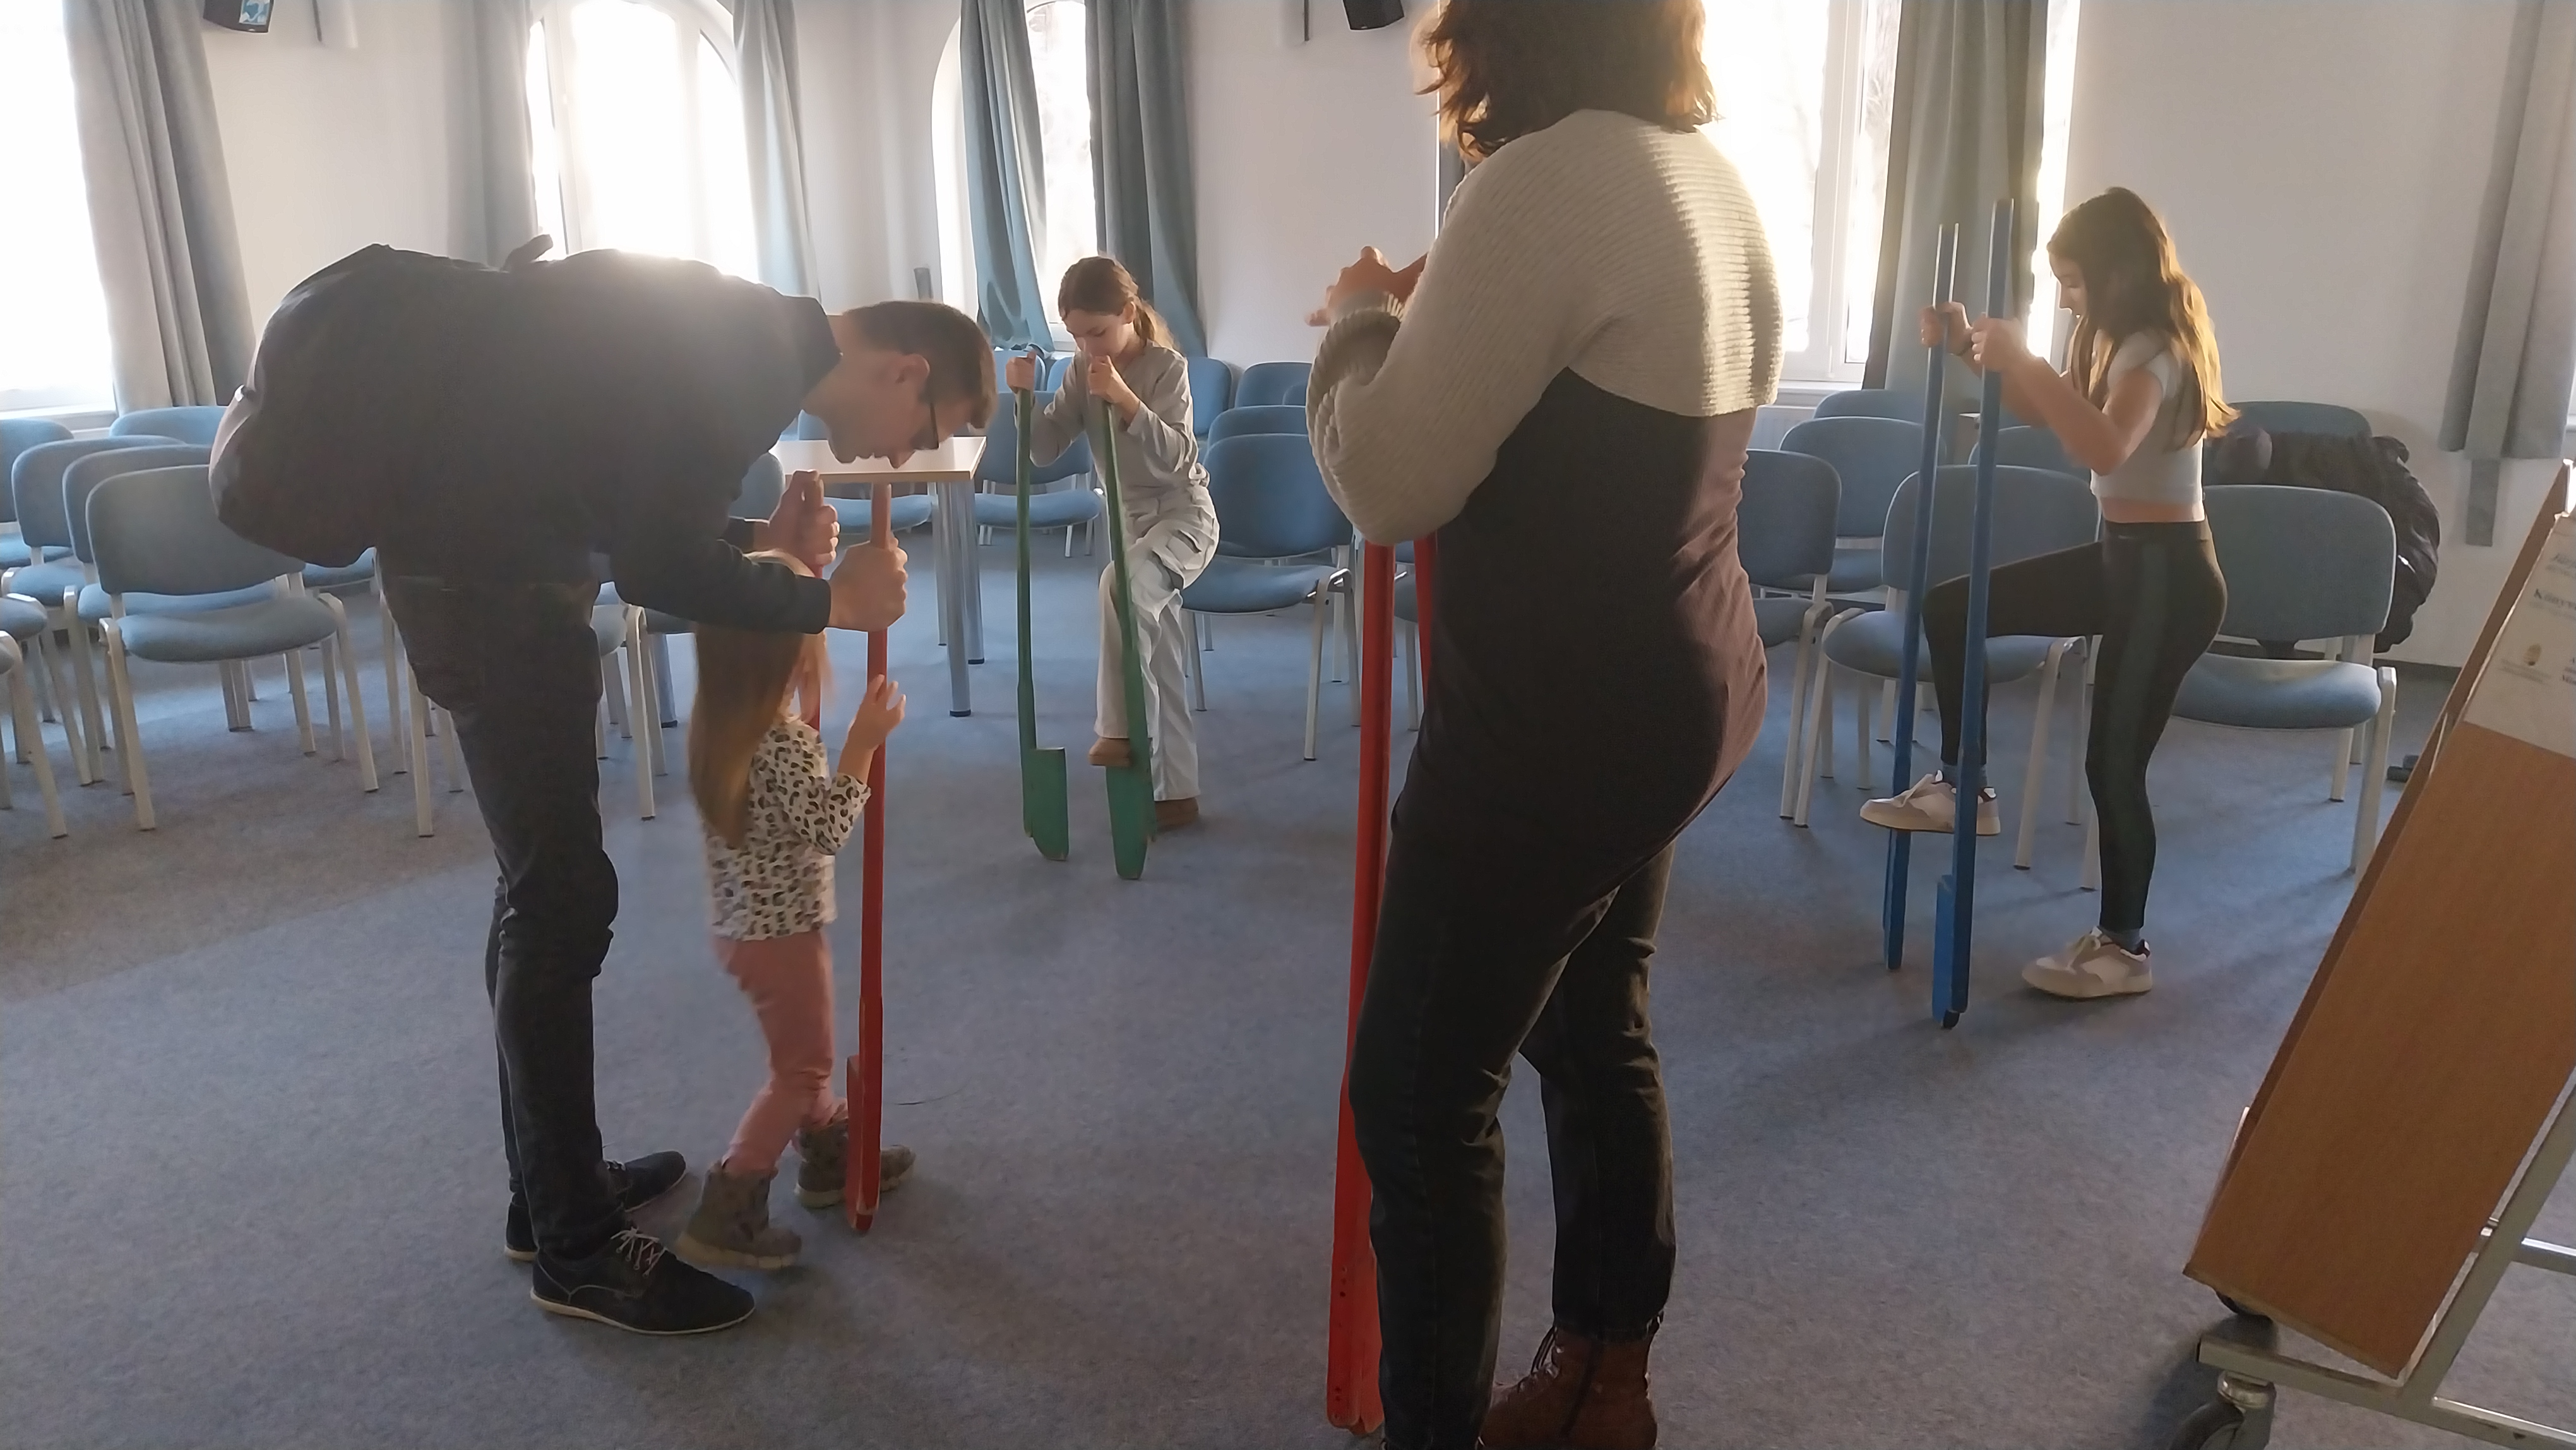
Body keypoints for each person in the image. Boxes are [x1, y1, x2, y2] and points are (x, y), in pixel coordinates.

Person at [1304, 3, 1780, 1445]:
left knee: (1415, 1099)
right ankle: (1601, 1379)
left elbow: (1387, 481)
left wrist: (1360, 321)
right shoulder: (1701, 175)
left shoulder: (1544, 179)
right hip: (1678, 690)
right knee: (1589, 1030)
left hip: (1551, 727)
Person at [375, 247, 993, 1336]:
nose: (903, 453)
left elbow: (633, 515)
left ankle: (550, 1190)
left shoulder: (750, 340)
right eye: (922, 426)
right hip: (488, 590)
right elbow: (656, 570)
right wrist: (831, 604)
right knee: (559, 905)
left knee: (538, 895)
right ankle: (574, 1248)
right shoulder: (746, 358)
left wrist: (760, 544)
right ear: (906, 369)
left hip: (498, 573)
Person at [1861, 187, 2231, 1002]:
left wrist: (2022, 358)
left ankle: (2124, 947)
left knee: (2113, 763)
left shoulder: (2156, 349)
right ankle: (1963, 783)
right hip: (2122, 558)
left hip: (2169, 576)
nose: (2065, 298)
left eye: (2073, 281)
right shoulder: (2106, 337)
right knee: (1952, 608)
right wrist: (1975, 351)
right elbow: (2048, 410)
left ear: (2116, 272)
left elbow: (2104, 445)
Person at [675, 553, 910, 1269]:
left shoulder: (719, 724)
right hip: (781, 934)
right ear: (789, 658)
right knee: (802, 1068)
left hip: (743, 928)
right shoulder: (782, 744)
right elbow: (829, 829)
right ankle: (730, 1204)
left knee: (801, 1054)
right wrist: (861, 747)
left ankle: (831, 1148)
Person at [1003, 256, 1214, 830]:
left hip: (1184, 519)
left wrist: (1125, 400)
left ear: (1126, 313)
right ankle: (1177, 793)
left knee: (1120, 586)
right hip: (1130, 525)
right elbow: (1044, 449)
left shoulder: (1166, 368)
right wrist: (1023, 401)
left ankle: (1120, 732)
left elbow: (1180, 460)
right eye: (1076, 335)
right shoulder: (1081, 370)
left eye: (1096, 331)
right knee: (1158, 656)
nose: (1087, 346)